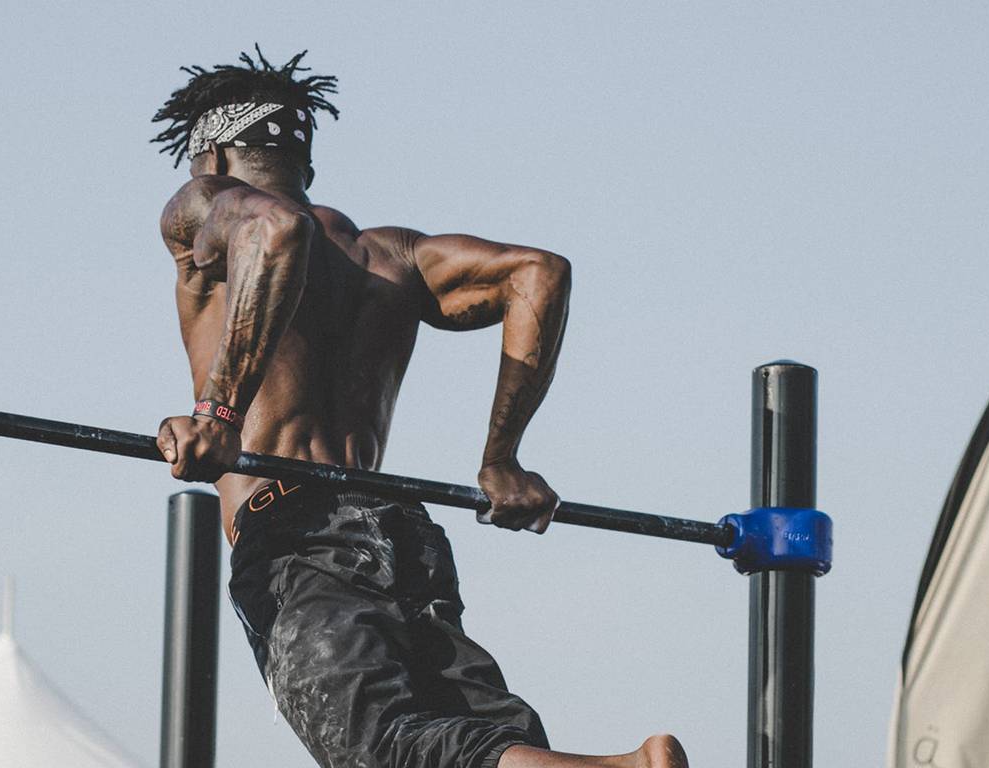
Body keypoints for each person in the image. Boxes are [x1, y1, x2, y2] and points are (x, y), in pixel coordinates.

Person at [151, 48, 688, 768]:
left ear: (212, 157)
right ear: (303, 161)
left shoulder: (205, 204)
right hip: (399, 529)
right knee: (475, 738)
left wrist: (219, 414)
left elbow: (274, 232)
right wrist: (501, 458)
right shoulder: (389, 256)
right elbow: (536, 273)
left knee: (385, 749)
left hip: (293, 532)